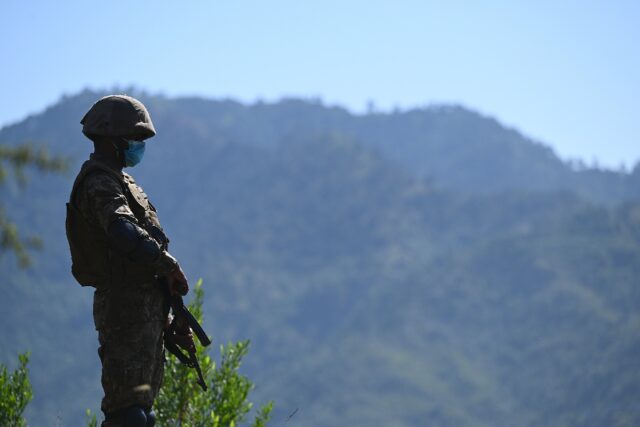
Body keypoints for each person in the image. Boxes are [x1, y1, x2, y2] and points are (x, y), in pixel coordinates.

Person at [65, 95, 191, 427]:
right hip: (123, 312)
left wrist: (167, 314)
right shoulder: (99, 182)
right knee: (127, 415)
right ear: (111, 138)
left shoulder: (125, 183)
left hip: (146, 314)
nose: (139, 146)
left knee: (143, 413)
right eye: (134, 139)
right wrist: (169, 265)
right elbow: (122, 230)